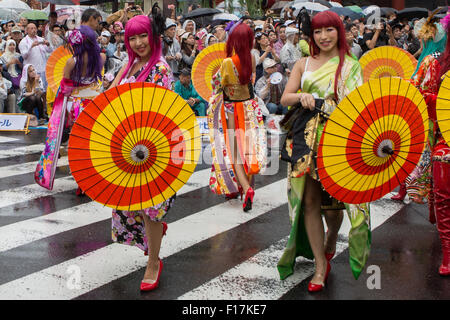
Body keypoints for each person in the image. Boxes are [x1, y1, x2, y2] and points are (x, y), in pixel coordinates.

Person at [277, 11, 370, 292]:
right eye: (318, 32)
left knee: (336, 205)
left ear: (339, 33)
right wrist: (302, 96)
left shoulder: (351, 66)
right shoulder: (303, 64)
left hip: (338, 142)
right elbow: (284, 98)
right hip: (306, 142)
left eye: (329, 30)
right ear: (311, 35)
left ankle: (332, 235)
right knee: (309, 203)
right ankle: (320, 263)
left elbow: (359, 106)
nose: (323, 37)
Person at [109, 14, 174, 292]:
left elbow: (162, 112)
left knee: (151, 208)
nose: (138, 43)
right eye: (132, 38)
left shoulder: (160, 68)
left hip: (153, 150)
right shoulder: (129, 65)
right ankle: (154, 236)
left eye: (142, 36)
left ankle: (153, 262)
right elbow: (110, 98)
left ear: (153, 36)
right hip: (128, 148)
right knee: (133, 203)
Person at [402, 13, 450, 276]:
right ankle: (447, 251)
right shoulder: (435, 63)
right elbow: (421, 94)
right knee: (440, 164)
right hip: (442, 134)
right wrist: (431, 99)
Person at [35, 25, 106, 191]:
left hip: (76, 105)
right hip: (95, 102)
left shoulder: (71, 61)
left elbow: (66, 87)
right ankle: (93, 176)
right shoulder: (101, 58)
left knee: (77, 142)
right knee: (93, 141)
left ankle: (80, 179)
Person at [207, 21, 267, 211]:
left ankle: (246, 188)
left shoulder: (227, 63)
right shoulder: (252, 57)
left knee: (235, 151)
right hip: (250, 107)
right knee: (249, 148)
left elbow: (217, 85)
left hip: (233, 109)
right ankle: (249, 184)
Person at [18, 23, 52, 90]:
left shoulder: (41, 39)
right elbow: (24, 56)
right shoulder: (23, 42)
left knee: (44, 90)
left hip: (42, 68)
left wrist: (48, 44)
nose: (34, 30)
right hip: (32, 71)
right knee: (33, 90)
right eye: (31, 28)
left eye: (35, 28)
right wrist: (31, 46)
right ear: (27, 30)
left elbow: (49, 50)